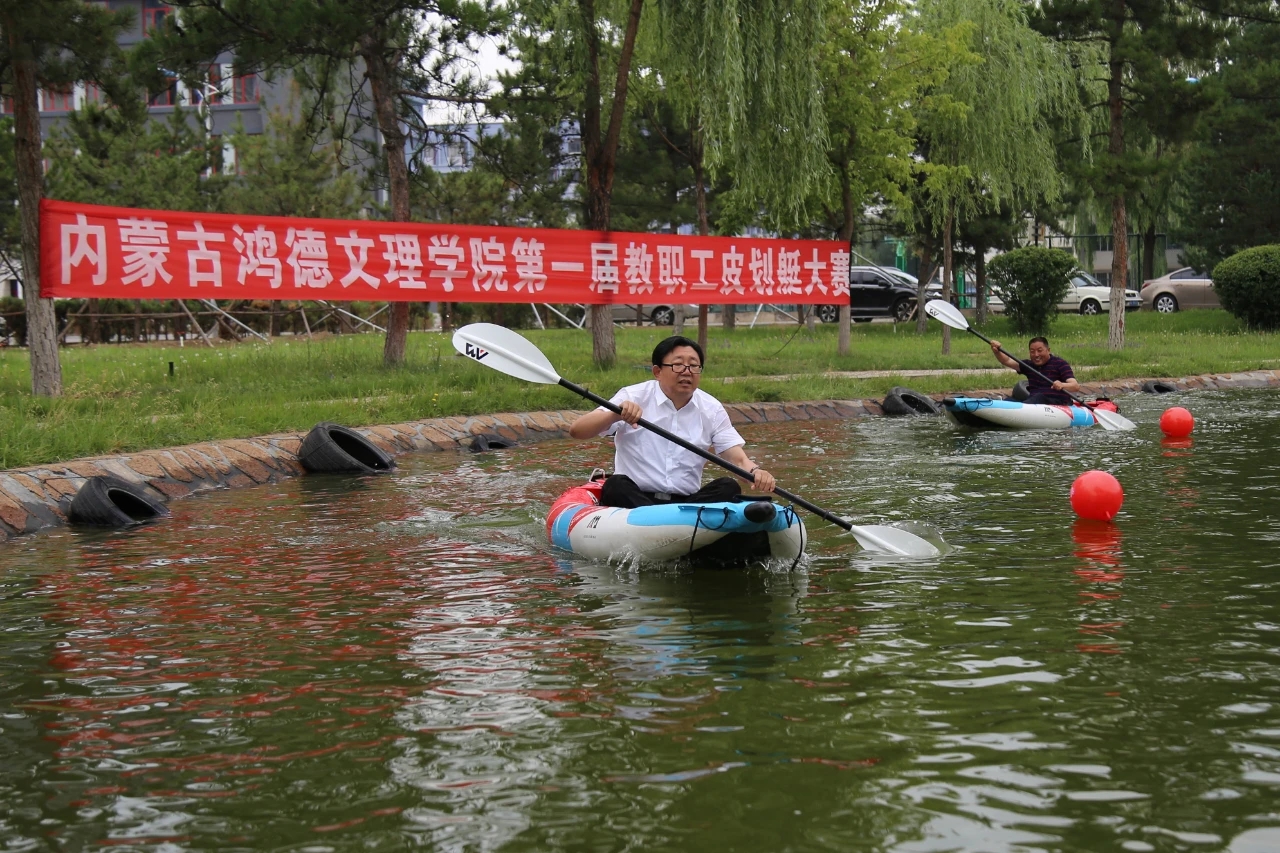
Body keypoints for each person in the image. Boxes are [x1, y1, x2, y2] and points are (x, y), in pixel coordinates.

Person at [568, 335, 776, 509]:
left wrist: (755, 472)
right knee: (615, 484)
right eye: (678, 365)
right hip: (634, 501)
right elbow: (578, 431)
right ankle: (655, 524)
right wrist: (616, 413)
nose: (687, 371)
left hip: (685, 505)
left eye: (694, 366)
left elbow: (738, 459)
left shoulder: (711, 408)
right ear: (658, 372)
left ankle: (682, 528)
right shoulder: (633, 395)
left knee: (728, 486)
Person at [989, 335, 1081, 405]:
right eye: (1032, 351)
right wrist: (997, 351)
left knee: (1039, 396)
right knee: (1009, 401)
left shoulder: (1060, 364)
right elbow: (1007, 360)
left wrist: (1062, 385)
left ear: (1048, 350)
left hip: (1057, 403)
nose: (1036, 355)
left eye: (1039, 350)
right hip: (1033, 402)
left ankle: (1021, 410)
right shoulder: (1029, 365)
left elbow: (1075, 386)